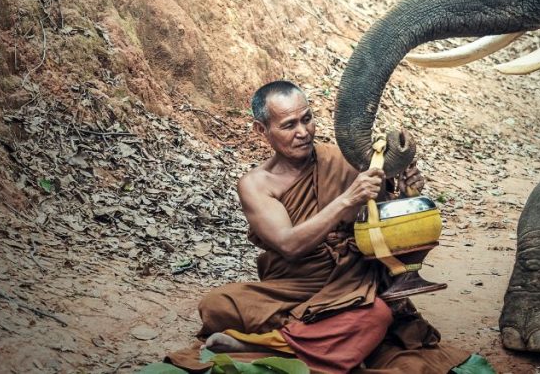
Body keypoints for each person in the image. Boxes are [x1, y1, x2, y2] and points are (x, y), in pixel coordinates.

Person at [169, 80, 473, 374]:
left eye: (307, 119)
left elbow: (383, 223)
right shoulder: (255, 185)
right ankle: (317, 344)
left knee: (376, 316)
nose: (303, 132)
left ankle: (269, 347)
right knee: (217, 305)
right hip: (293, 286)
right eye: (289, 125)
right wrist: (346, 199)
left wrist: (405, 192)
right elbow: (289, 244)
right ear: (261, 130)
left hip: (352, 283)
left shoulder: (342, 158)